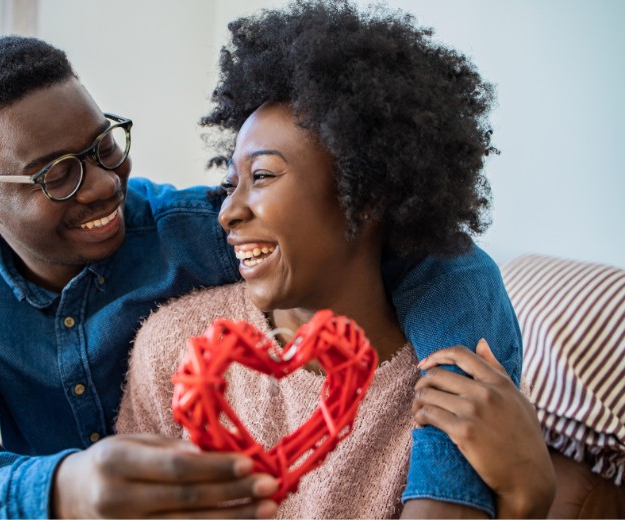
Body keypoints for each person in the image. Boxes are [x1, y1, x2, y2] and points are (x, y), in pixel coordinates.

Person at [0, 18, 522, 520]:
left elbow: (444, 259)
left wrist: (447, 485)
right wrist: (65, 487)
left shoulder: (190, 231)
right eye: (57, 175)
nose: (104, 185)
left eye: (104, 146)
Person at [116, 1, 554, 518]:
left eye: (262, 176)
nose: (228, 213)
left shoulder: (452, 392)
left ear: (364, 197)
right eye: (231, 184)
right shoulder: (173, 348)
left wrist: (527, 497)